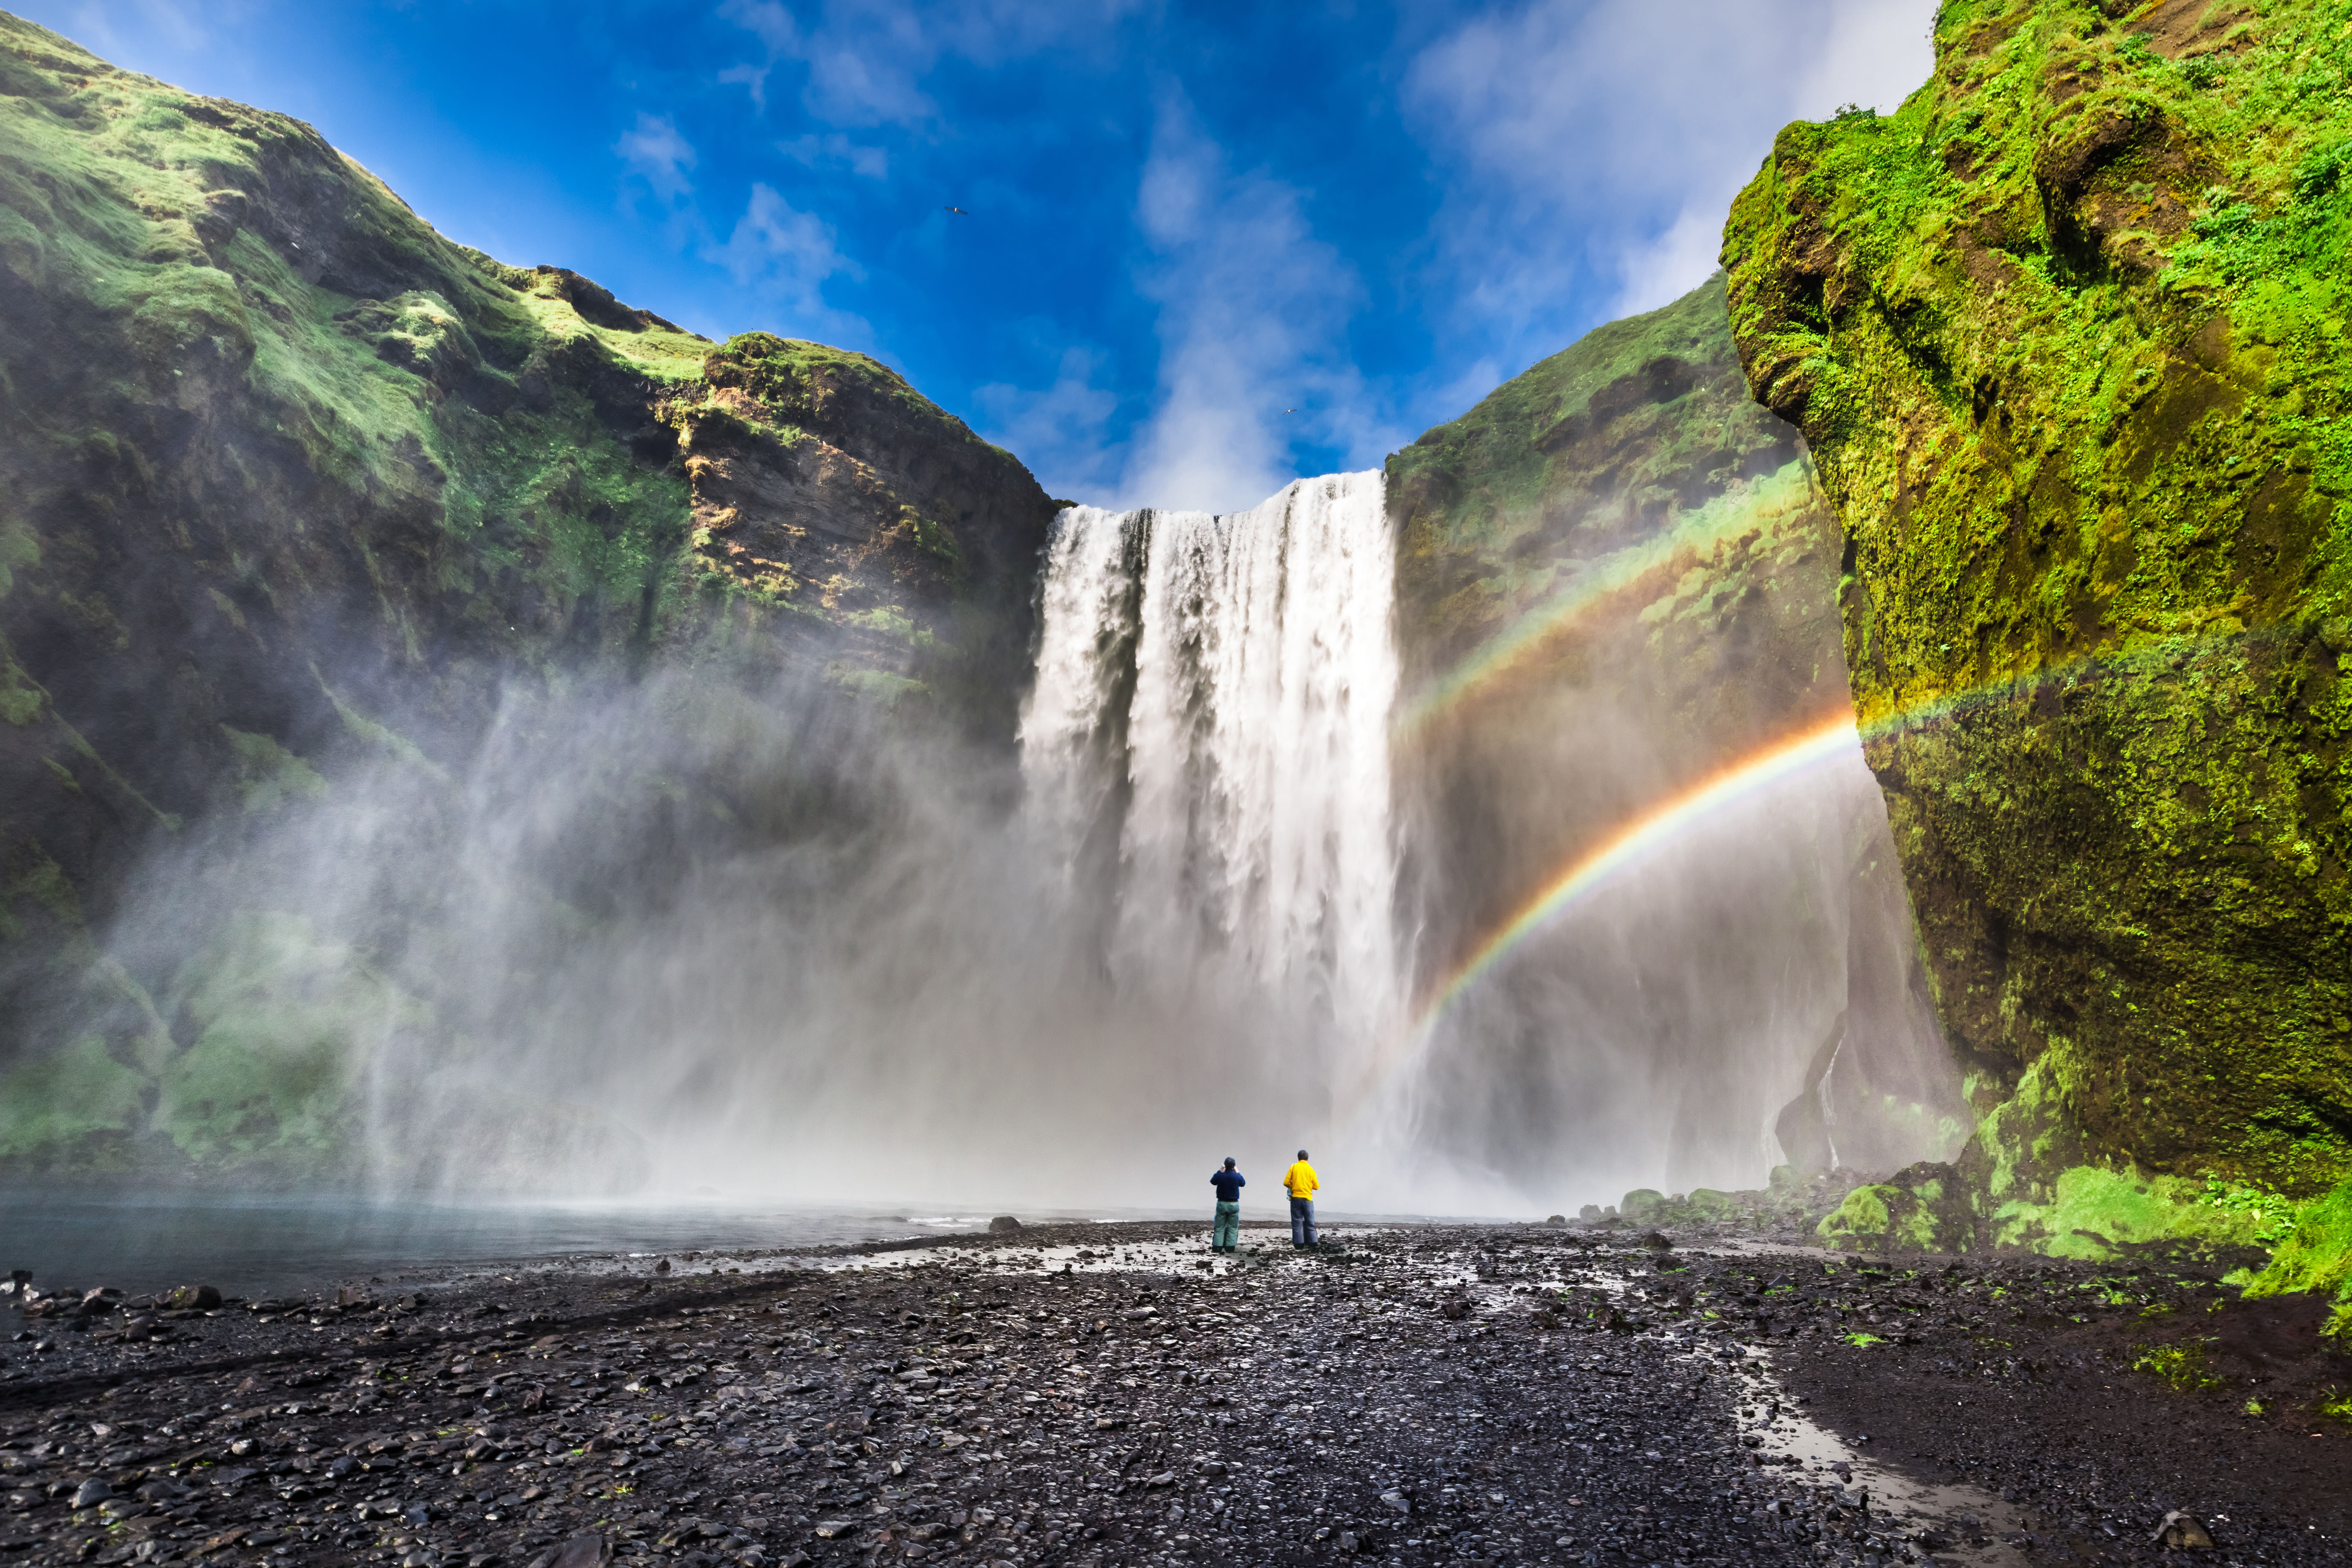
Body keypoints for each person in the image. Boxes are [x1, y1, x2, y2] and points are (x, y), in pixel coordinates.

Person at [1283, 1148, 1319, 1247]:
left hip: (1296, 1199)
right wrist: (1307, 1186)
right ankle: (1313, 1242)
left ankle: (1299, 1244)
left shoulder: (1294, 1167)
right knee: (1310, 1222)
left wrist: (1294, 1186)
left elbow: (1286, 1183)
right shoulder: (1311, 1170)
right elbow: (1316, 1186)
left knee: (1297, 1222)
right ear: (1307, 1158)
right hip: (1308, 1199)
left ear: (1298, 1158)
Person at [1209, 1158, 1246, 1253]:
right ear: (1233, 1167)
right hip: (1234, 1204)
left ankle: (1217, 1246)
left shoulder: (1221, 1176)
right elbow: (1243, 1183)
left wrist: (1221, 1170)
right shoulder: (1236, 1177)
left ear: (1225, 1165)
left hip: (1222, 1203)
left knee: (1220, 1226)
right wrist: (1237, 1171)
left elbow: (1213, 1181)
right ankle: (1230, 1247)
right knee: (1233, 1226)